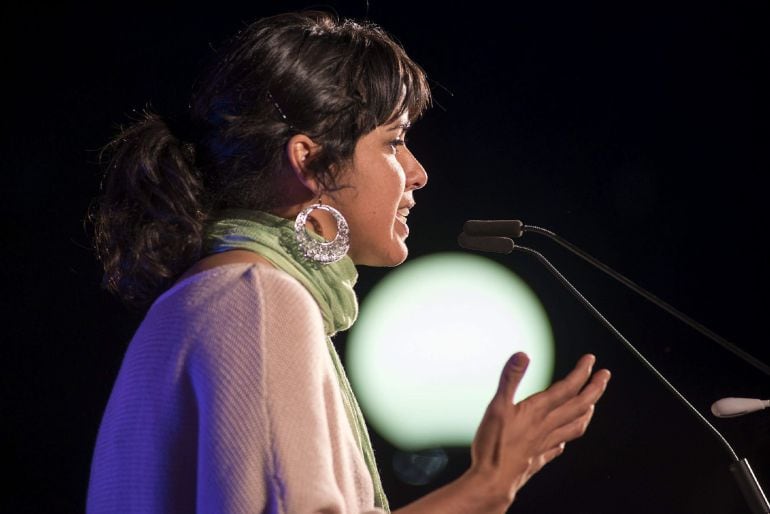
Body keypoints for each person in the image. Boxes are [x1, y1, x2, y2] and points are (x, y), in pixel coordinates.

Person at [87, 10, 611, 514]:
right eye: (395, 141)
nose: (417, 172)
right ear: (309, 161)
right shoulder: (257, 298)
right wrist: (486, 487)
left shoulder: (213, 294)